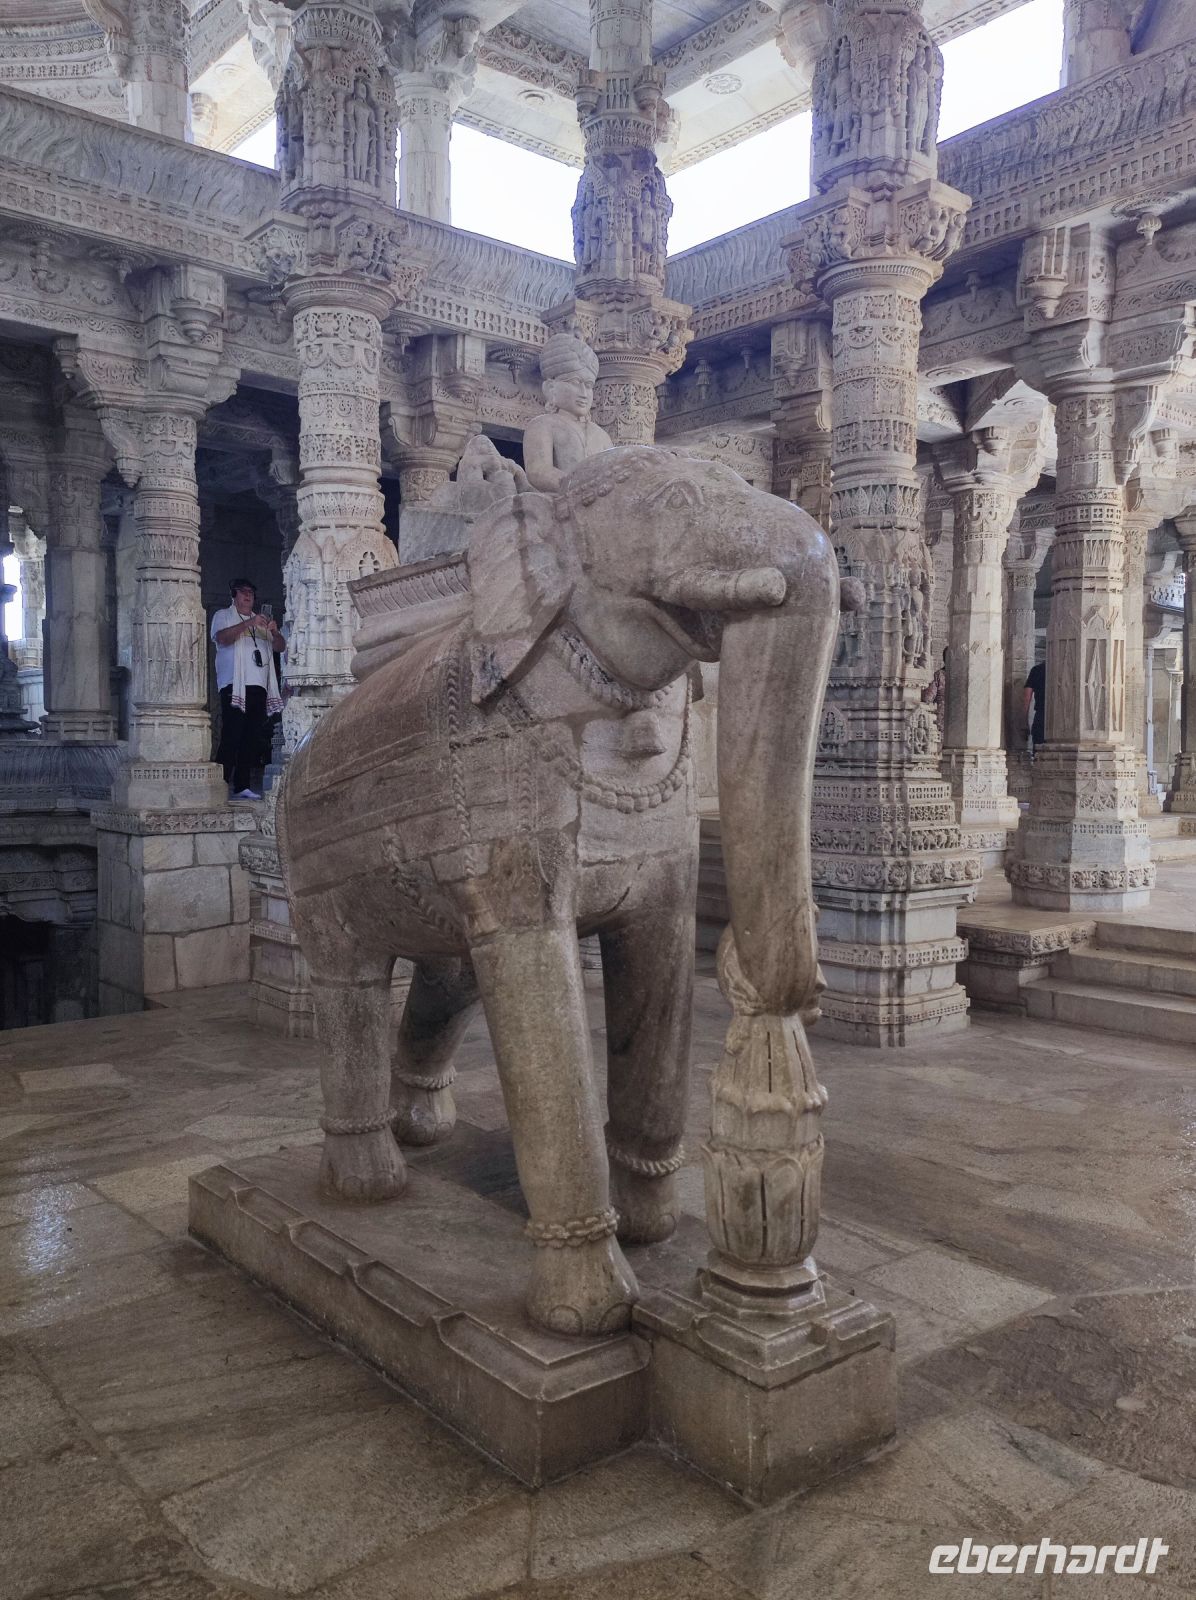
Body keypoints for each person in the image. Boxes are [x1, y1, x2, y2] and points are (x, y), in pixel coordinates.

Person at [211, 578, 285, 800]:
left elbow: (280, 648)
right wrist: (248, 624)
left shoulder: (261, 621)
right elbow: (221, 638)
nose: (248, 596)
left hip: (258, 685)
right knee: (232, 734)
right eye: (243, 592)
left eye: (251, 593)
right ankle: (220, 784)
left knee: (251, 736)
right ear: (234, 595)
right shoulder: (223, 615)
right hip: (235, 685)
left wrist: (276, 632)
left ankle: (242, 785)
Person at [522, 331, 613, 492]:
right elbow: (538, 471)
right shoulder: (543, 425)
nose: (584, 393)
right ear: (551, 387)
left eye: (589, 385)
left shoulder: (602, 436)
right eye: (575, 382)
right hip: (560, 501)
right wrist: (578, 485)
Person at [1023, 658, 1046, 756]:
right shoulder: (1066, 669)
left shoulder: (1037, 670)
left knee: (1038, 754)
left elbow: (1027, 697)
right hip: (1062, 720)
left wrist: (1024, 722)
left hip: (1041, 716)